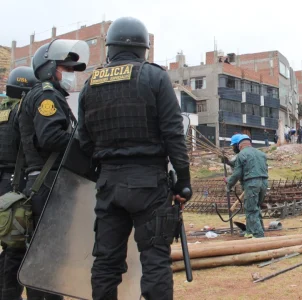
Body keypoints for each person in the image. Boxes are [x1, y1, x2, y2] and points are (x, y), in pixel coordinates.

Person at [77, 17, 190, 300]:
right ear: (144, 49)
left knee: (106, 263)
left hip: (108, 185)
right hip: (149, 184)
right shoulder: (155, 77)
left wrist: (104, 170)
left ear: (109, 48)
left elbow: (84, 139)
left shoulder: (91, 84)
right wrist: (183, 182)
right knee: (154, 261)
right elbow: (173, 134)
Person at [18, 38, 90, 300]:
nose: (70, 75)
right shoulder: (46, 95)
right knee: (46, 255)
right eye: (66, 68)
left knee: (51, 255)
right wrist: (85, 141)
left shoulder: (48, 94)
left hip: (46, 184)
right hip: (47, 185)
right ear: (50, 68)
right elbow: (51, 138)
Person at [0, 66, 37, 300]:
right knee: (19, 248)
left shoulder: (3, 110)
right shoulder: (21, 112)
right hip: (17, 186)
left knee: (8, 246)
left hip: (3, 187)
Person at [226, 134, 268, 239]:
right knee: (255, 207)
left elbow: (237, 174)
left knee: (251, 209)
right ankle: (250, 231)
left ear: (239, 145)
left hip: (252, 184)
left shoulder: (241, 155)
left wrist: (229, 184)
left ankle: (258, 235)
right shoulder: (261, 154)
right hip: (264, 183)